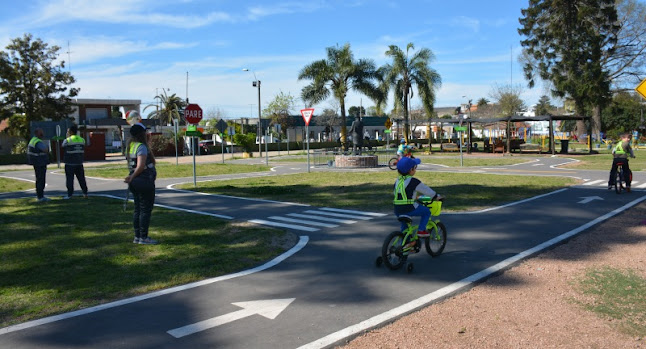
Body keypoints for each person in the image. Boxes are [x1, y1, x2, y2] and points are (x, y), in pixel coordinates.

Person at [393, 157, 442, 247]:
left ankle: (406, 244)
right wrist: (436, 196)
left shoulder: (397, 181)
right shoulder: (413, 181)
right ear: (411, 170)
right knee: (426, 211)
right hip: (409, 208)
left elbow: (400, 193)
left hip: (397, 209)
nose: (415, 170)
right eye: (415, 168)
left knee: (405, 226)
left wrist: (415, 197)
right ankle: (421, 230)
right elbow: (426, 190)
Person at [125, 124, 158, 245]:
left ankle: (137, 236)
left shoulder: (131, 146)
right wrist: (132, 176)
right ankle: (143, 237)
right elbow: (140, 166)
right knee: (145, 210)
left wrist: (131, 177)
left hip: (135, 182)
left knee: (138, 209)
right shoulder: (142, 147)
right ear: (142, 134)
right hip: (144, 180)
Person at [62, 125, 88, 199]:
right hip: (79, 162)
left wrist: (67, 137)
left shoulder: (68, 140)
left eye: (68, 131)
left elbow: (63, 145)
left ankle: (70, 194)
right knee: (82, 179)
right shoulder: (82, 140)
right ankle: (85, 193)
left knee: (70, 179)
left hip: (70, 163)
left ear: (71, 132)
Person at [27, 128, 50, 202]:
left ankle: (40, 196)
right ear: (36, 133)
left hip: (37, 162)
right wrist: (47, 146)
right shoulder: (37, 141)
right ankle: (41, 197)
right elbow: (45, 150)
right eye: (41, 133)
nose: (42, 134)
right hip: (40, 162)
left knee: (39, 179)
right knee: (41, 180)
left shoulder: (33, 140)